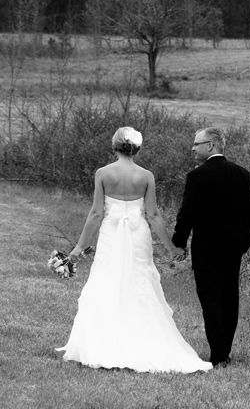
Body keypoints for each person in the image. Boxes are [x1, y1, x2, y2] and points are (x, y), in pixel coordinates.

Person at [57, 127, 212, 373]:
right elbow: (153, 215)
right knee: (140, 282)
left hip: (111, 234)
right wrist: (171, 248)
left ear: (115, 145)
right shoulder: (146, 176)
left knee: (107, 280)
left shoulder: (103, 174)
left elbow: (97, 214)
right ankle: (144, 340)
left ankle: (103, 342)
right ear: (137, 148)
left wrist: (79, 247)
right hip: (138, 235)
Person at [172, 127, 250, 368]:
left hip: (206, 249)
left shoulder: (197, 177)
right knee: (229, 299)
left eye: (196, 143)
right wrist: (243, 245)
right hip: (233, 250)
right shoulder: (243, 175)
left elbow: (186, 215)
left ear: (211, 145)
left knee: (210, 300)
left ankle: (218, 354)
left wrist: (179, 243)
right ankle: (224, 351)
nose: (192, 148)